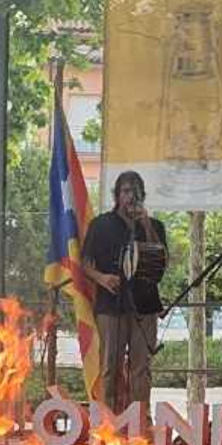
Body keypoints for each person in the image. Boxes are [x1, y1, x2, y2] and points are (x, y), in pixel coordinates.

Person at [81, 171, 168, 413]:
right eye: (126, 191)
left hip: (145, 305)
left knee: (141, 367)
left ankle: (141, 421)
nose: (131, 196)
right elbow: (85, 263)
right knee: (110, 365)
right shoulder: (101, 224)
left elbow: (162, 259)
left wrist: (146, 224)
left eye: (136, 192)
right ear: (117, 196)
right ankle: (109, 420)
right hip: (111, 304)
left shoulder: (155, 225)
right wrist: (102, 278)